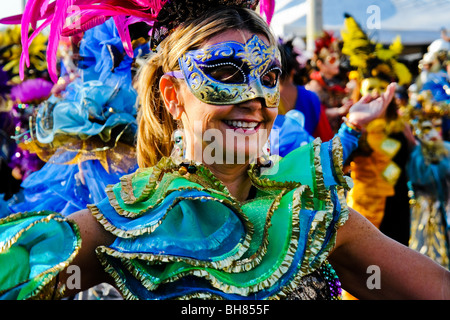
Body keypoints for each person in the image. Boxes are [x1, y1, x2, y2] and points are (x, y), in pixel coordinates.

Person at [0, 0, 449, 301]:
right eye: (226, 71)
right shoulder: (123, 226)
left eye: (269, 77)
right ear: (172, 96)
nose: (254, 97)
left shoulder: (311, 216)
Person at [306, 31, 353, 135]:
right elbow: (316, 112)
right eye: (332, 60)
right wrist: (340, 110)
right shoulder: (314, 86)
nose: (337, 63)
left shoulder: (340, 83)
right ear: (320, 64)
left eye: (337, 59)